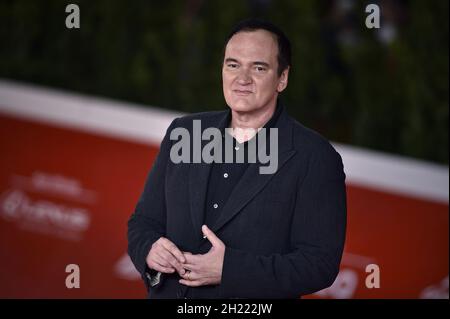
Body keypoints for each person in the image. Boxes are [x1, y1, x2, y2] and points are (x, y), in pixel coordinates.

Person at [127, 18, 347, 299]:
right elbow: (143, 221)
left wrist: (229, 270)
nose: (242, 79)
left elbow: (319, 265)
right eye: (233, 65)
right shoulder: (185, 133)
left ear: (282, 78)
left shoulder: (314, 157)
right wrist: (149, 249)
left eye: (258, 67)